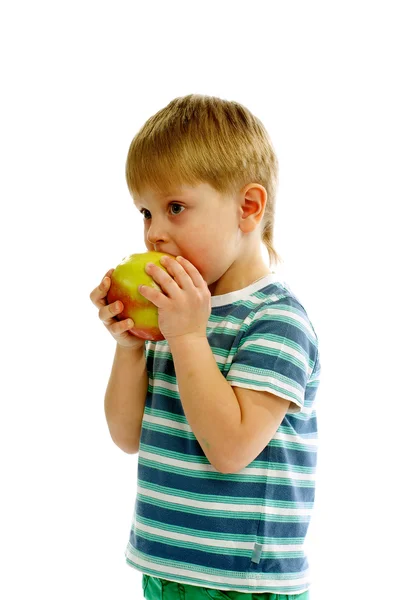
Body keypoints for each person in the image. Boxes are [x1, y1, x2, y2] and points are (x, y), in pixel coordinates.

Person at [90, 94, 321, 600]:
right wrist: (130, 347)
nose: (154, 234)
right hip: (167, 568)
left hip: (243, 581)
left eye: (176, 208)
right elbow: (127, 435)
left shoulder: (276, 319)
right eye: (146, 212)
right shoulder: (179, 315)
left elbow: (231, 449)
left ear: (247, 207)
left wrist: (188, 336)